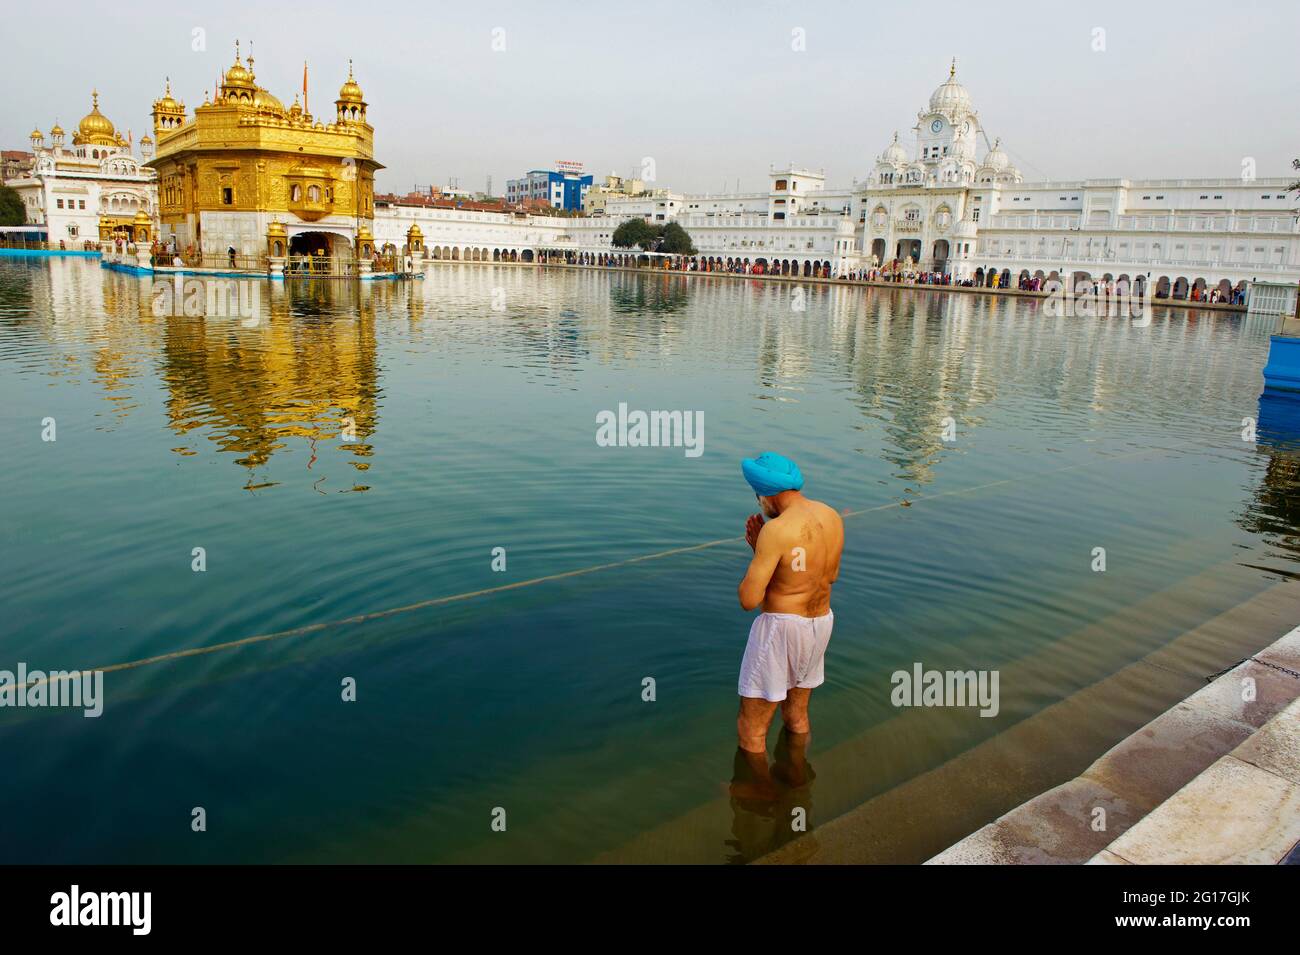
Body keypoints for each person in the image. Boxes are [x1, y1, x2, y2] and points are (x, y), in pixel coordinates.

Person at [735, 452, 844, 754]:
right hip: (820, 623)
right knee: (796, 715)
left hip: (781, 629)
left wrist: (760, 553)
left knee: (752, 728)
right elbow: (829, 575)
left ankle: (755, 792)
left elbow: (749, 599)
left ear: (764, 494)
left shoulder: (776, 530)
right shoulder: (831, 516)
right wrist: (769, 556)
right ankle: (796, 778)